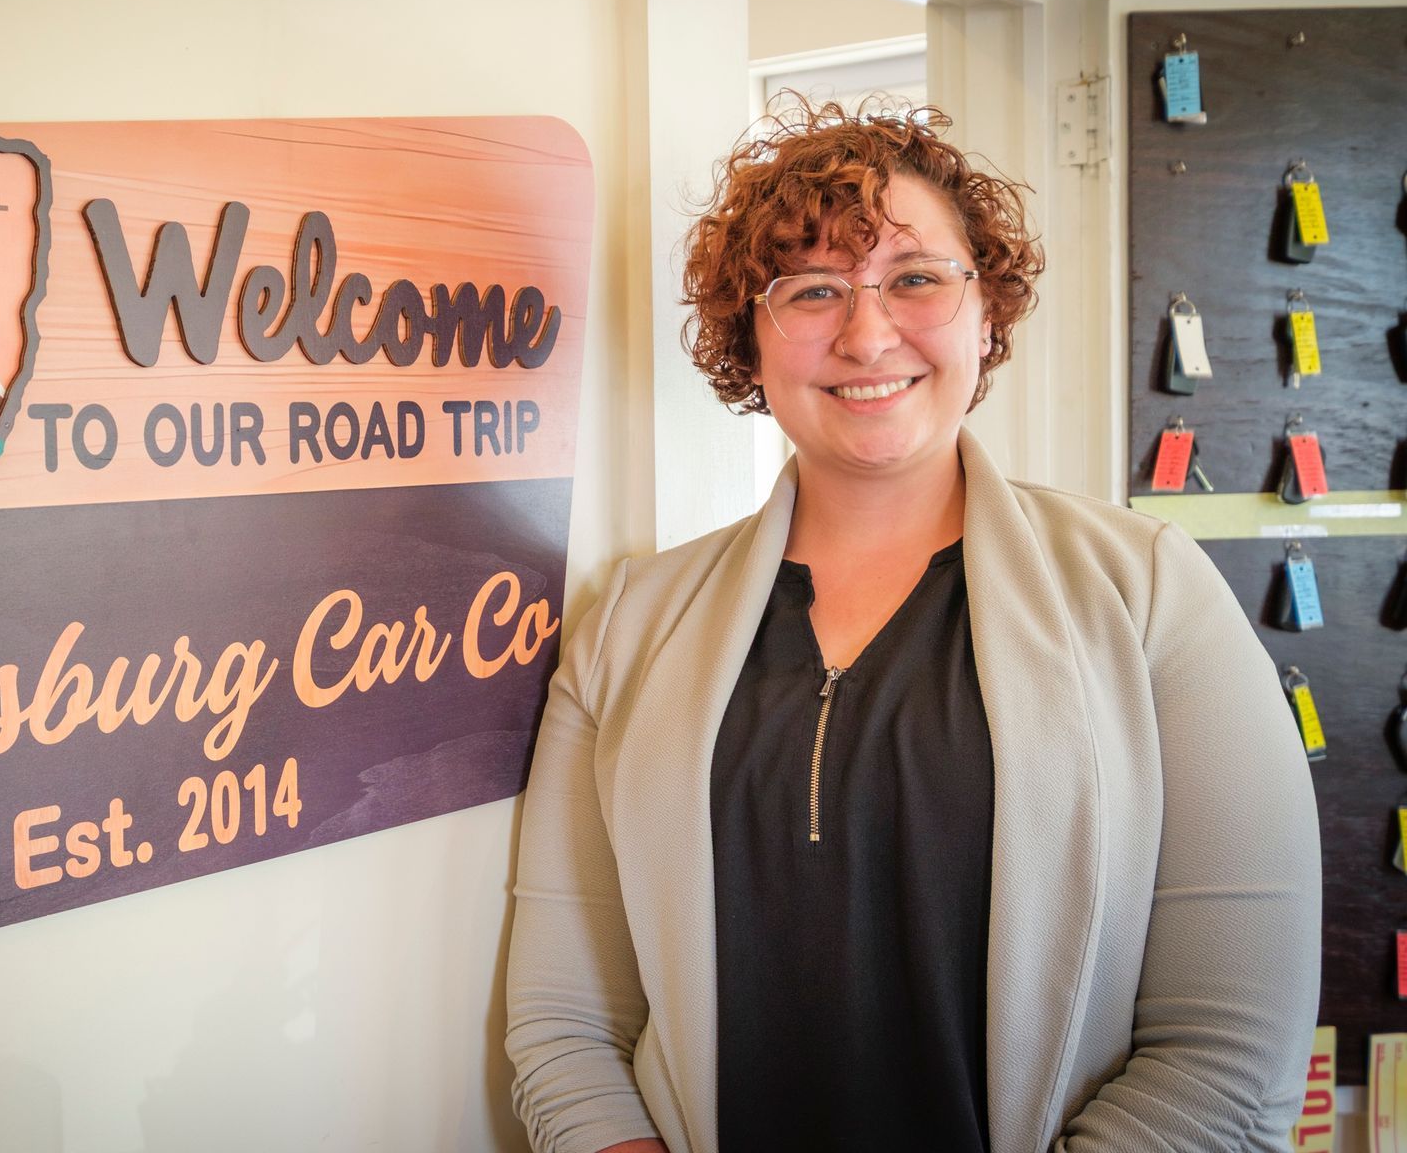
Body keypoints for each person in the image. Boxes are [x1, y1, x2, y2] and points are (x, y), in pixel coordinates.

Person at [504, 100, 1321, 1152]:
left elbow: (1229, 1048)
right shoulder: (627, 626)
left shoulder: (1151, 593)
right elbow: (564, 1024)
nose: (866, 331)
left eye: (916, 278)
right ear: (750, 337)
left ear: (987, 311)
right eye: (812, 289)